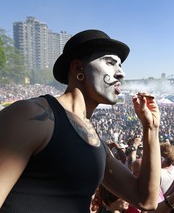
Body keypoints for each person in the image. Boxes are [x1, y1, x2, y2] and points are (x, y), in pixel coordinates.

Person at [0, 29, 161, 212]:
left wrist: (151, 128)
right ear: (78, 68)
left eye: (120, 65)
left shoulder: (97, 144)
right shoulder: (30, 116)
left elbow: (145, 200)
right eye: (110, 63)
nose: (121, 73)